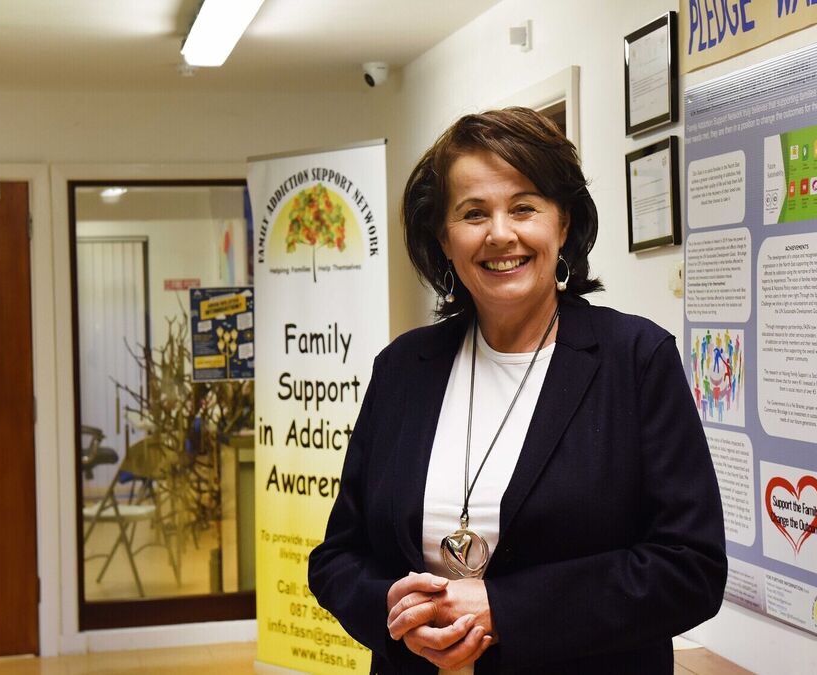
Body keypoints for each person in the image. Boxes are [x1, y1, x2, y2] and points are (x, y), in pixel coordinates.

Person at [308, 107, 726, 674]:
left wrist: (505, 610)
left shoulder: (636, 360)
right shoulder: (402, 369)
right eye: (473, 213)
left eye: (524, 207)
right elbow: (337, 557)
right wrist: (392, 610)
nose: (500, 233)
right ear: (444, 238)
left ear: (564, 223)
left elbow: (691, 569)